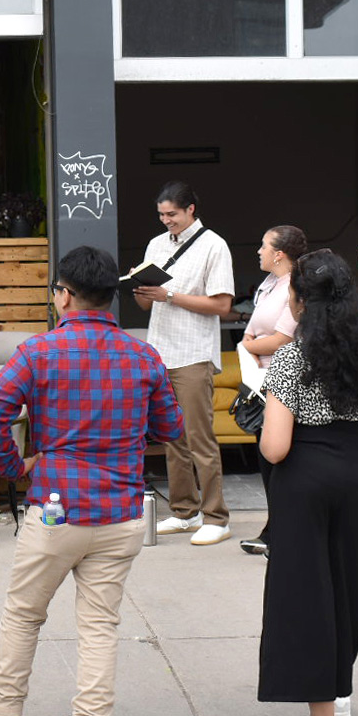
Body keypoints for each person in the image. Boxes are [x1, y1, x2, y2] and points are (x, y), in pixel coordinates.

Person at [0, 246, 182, 716]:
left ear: (63, 294)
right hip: (121, 512)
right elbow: (170, 429)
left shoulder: (39, 351)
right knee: (100, 626)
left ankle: (6, 715)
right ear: (111, 295)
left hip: (55, 508)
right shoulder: (143, 355)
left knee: (24, 613)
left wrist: (16, 468)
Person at [257, 251, 358, 716]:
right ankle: (336, 694)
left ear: (299, 300)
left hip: (305, 478)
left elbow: (275, 447)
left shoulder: (293, 357)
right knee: (344, 585)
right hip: (356, 474)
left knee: (306, 593)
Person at [131, 181, 236, 546]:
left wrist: (169, 294)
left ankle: (216, 517)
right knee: (170, 436)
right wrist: (141, 289)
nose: (166, 221)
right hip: (160, 350)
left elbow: (222, 305)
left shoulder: (214, 245)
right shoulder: (156, 245)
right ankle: (184, 512)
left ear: (191, 209)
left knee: (199, 437)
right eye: (161, 215)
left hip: (193, 352)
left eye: (172, 214)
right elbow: (147, 305)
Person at [236, 225, 307, 557]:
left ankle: (282, 529)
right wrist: (250, 344)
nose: (258, 251)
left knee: (280, 460)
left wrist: (249, 345)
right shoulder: (269, 285)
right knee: (266, 458)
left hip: (281, 379)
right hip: (259, 379)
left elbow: (283, 338)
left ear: (279, 253)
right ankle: (274, 526)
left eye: (264, 246)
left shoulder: (295, 286)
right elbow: (252, 330)